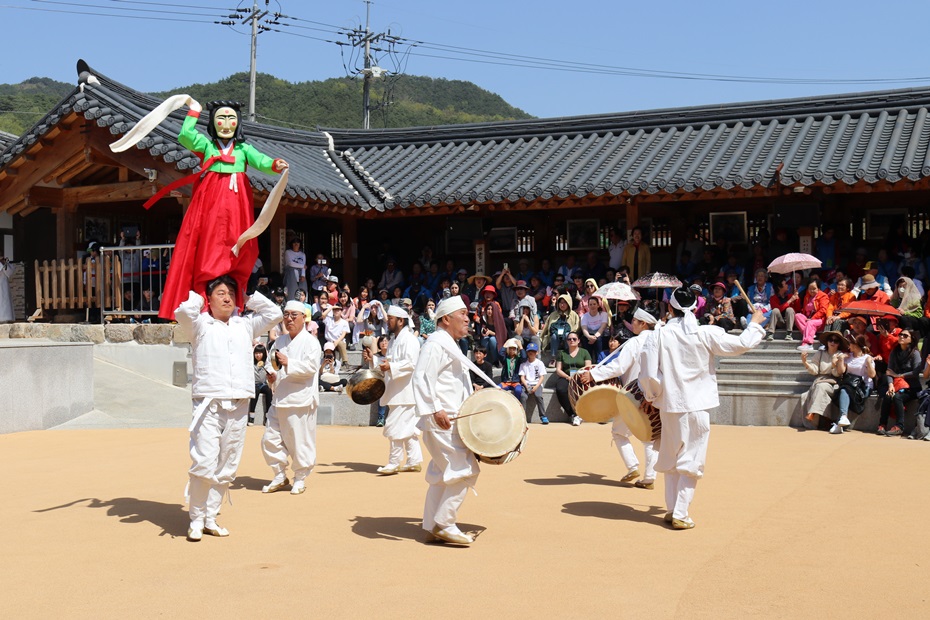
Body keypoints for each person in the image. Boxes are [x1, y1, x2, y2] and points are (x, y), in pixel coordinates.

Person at [641, 287, 764, 530]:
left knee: (672, 457)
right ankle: (681, 512)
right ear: (695, 308)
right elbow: (741, 344)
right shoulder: (705, 333)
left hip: (670, 404)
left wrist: (651, 396)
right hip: (697, 405)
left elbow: (647, 372)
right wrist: (755, 323)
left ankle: (672, 508)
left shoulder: (659, 335)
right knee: (691, 458)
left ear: (670, 308)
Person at [155, 100, 288, 320]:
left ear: (238, 123)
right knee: (209, 244)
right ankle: (205, 296)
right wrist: (194, 110)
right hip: (212, 201)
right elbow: (185, 135)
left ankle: (236, 294)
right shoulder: (208, 146)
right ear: (213, 123)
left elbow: (261, 161)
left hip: (237, 204)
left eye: (231, 119)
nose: (226, 124)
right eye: (221, 119)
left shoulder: (243, 149)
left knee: (238, 244)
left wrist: (275, 165)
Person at [174, 275, 282, 542]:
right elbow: (183, 312)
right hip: (208, 403)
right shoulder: (200, 325)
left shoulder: (244, 325)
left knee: (227, 464)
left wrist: (248, 295)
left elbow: (275, 313)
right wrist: (200, 292)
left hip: (239, 404)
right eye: (220, 293)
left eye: (231, 293)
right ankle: (196, 519)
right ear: (209, 299)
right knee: (204, 461)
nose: (227, 297)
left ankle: (211, 517)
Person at [412, 296, 481, 545]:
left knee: (442, 474)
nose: (467, 318)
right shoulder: (435, 344)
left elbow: (447, 382)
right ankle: (445, 522)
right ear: (445, 319)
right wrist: (435, 409)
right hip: (442, 420)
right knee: (464, 470)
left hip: (449, 419)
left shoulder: (449, 343)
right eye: (462, 313)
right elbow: (421, 378)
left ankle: (432, 524)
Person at [581, 307, 660, 488]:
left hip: (633, 395)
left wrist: (593, 374)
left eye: (634, 321)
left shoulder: (635, 343)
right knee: (649, 437)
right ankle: (649, 477)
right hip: (655, 394)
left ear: (643, 324)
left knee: (618, 433)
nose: (632, 324)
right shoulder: (660, 341)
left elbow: (619, 366)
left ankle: (633, 467)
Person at [261, 300, 322, 496]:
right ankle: (279, 474)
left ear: (303, 318)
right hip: (279, 398)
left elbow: (311, 368)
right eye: (286, 315)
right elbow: (272, 364)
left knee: (299, 441)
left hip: (300, 399)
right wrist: (271, 374)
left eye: (293, 315)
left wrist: (289, 363)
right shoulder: (279, 341)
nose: (289, 319)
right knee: (269, 439)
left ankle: (300, 477)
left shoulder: (311, 342)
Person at [375, 305, 424, 475]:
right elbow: (391, 363)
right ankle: (414, 460)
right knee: (408, 429)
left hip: (405, 392)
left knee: (394, 426)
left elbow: (411, 364)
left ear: (400, 321)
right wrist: (381, 365)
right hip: (397, 391)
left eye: (391, 318)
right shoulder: (394, 340)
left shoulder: (410, 340)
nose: (388, 321)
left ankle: (394, 462)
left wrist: (391, 366)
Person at [799, 331, 846, 431]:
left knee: (820, 387)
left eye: (836, 341)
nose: (833, 342)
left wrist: (833, 365)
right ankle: (826, 419)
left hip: (834, 382)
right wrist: (805, 362)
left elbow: (838, 374)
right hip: (819, 380)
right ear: (827, 342)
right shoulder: (820, 354)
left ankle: (812, 413)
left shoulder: (840, 355)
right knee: (815, 390)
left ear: (839, 344)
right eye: (831, 340)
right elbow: (815, 370)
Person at [879, 328, 921, 436]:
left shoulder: (915, 353)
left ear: (911, 340)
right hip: (896, 384)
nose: (901, 337)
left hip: (912, 386)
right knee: (888, 395)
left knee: (897, 397)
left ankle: (899, 426)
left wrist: (899, 376)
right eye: (901, 335)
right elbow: (889, 371)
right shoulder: (895, 352)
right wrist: (890, 384)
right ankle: (882, 424)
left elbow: (916, 372)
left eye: (905, 336)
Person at [834, 335, 877, 434]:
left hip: (863, 387)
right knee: (845, 389)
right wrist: (841, 360)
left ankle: (840, 422)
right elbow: (841, 372)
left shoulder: (867, 358)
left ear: (857, 345)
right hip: (850, 385)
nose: (849, 345)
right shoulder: (848, 356)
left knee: (844, 390)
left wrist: (869, 363)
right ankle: (843, 418)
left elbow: (872, 375)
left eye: (851, 343)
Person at [555, 332, 593, 426]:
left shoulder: (584, 352)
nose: (572, 340)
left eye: (574, 339)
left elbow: (588, 367)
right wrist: (568, 377)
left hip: (581, 376)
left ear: (578, 341)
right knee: (560, 389)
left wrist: (579, 376)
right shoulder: (562, 353)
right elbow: (558, 370)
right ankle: (573, 414)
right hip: (566, 376)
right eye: (569, 339)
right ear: (567, 341)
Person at [541, 294, 580, 367]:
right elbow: (547, 327)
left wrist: (571, 333)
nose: (562, 305)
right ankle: (553, 358)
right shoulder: (553, 314)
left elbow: (576, 327)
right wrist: (542, 337)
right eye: (560, 302)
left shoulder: (573, 315)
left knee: (567, 335)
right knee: (554, 337)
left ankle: (569, 356)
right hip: (555, 337)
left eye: (564, 302)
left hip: (568, 336)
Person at [795, 280, 830, 350]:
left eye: (814, 288)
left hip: (820, 320)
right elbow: (803, 310)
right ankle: (811, 333)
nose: (811, 291)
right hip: (809, 318)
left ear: (818, 288)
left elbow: (823, 310)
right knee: (797, 316)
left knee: (810, 323)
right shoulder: (807, 296)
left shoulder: (823, 296)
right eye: (810, 289)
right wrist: (796, 298)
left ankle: (808, 343)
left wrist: (812, 318)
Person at [519, 342, 548, 424]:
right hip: (526, 384)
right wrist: (527, 386)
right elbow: (522, 377)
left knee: (538, 396)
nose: (531, 353)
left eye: (533, 351)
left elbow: (542, 377)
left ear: (537, 352)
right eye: (529, 351)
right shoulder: (523, 364)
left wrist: (536, 386)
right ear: (527, 352)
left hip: (537, 384)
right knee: (523, 396)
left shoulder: (540, 363)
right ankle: (522, 417)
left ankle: (543, 416)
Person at [249, 344, 272, 426]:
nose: (258, 355)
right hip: (254, 385)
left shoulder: (267, 363)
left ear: (264, 354)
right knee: (255, 391)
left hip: (263, 384)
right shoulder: (251, 363)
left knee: (269, 391)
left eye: (260, 353)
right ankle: (251, 416)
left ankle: (267, 416)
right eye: (256, 353)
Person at [0, 257, 17, 322]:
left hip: (4, 287)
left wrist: (3, 263)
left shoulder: (4, 262)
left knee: (5, 303)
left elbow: (9, 273)